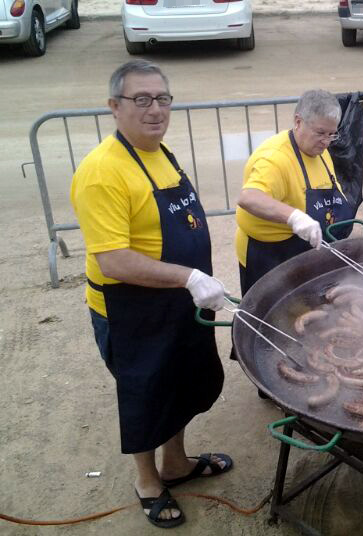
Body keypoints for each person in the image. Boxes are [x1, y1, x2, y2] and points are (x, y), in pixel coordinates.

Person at [70, 60, 232, 528]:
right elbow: (114, 260)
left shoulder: (160, 153)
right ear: (114, 107)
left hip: (177, 298)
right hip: (130, 310)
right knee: (145, 396)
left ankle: (176, 464)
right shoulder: (103, 172)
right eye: (141, 99)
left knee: (178, 385)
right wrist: (189, 277)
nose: (155, 109)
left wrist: (189, 282)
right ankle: (148, 481)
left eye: (162, 98)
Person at [235, 89, 357, 296]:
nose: (327, 142)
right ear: (298, 121)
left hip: (306, 250)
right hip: (269, 256)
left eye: (332, 134)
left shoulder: (319, 150)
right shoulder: (275, 159)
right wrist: (295, 217)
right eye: (320, 133)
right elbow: (248, 197)